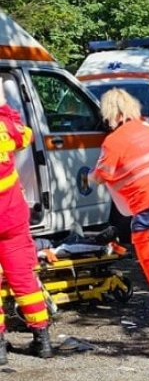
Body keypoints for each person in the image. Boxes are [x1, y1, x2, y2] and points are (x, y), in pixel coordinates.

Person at [89, 88, 149, 328]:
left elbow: (102, 175)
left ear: (111, 112)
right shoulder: (147, 129)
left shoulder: (114, 141)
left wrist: (88, 178)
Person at [0, 84, 53, 364]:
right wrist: (4, 107)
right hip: (11, 217)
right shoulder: (6, 128)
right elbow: (26, 134)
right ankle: (42, 340)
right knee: (23, 279)